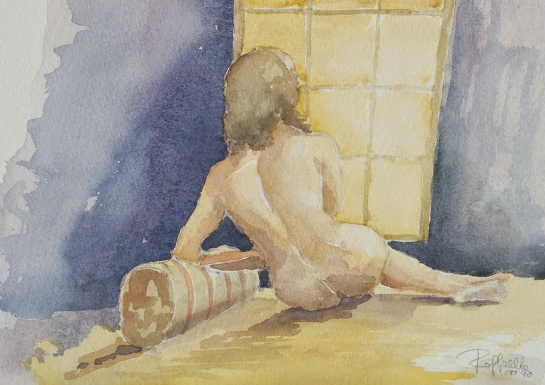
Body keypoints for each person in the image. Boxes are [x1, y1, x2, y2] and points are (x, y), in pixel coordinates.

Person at [173, 48, 510, 310]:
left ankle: (456, 285)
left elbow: (185, 252)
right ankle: (456, 285)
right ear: (287, 96)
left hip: (294, 288)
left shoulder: (222, 176)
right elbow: (330, 209)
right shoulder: (316, 146)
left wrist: (234, 257)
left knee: (295, 256)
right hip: (348, 264)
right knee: (368, 249)